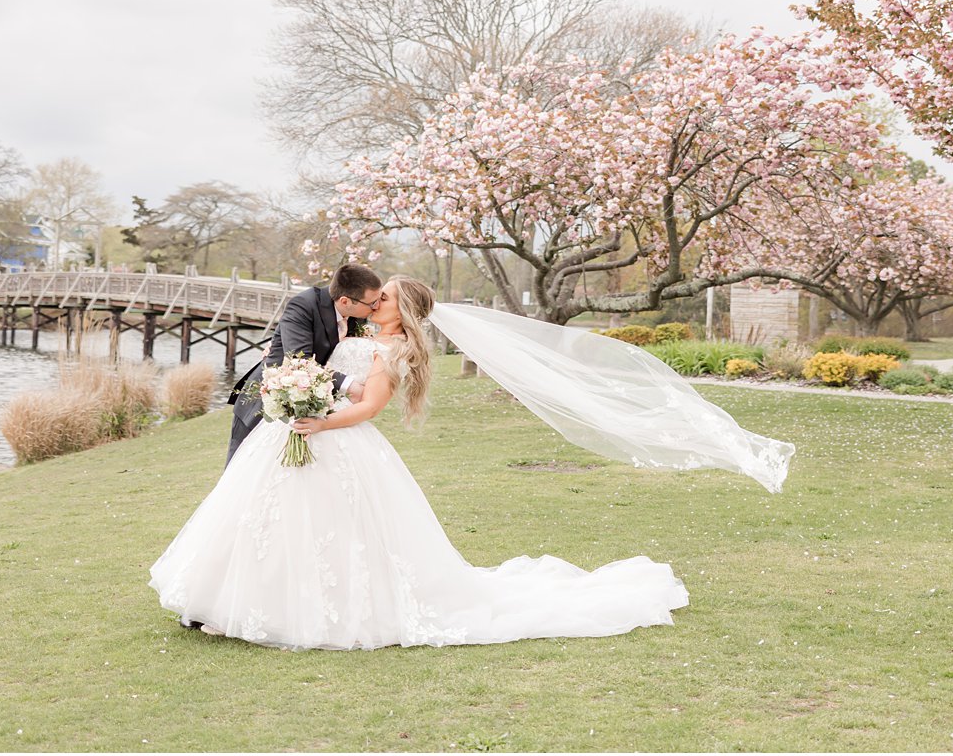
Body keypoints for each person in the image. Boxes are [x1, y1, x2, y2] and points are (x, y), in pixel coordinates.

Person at [151, 275, 694, 650]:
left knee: (332, 533)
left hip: (334, 439)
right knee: (263, 519)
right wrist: (303, 401)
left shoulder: (393, 351)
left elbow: (368, 409)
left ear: (397, 308)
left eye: (381, 297)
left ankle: (308, 610)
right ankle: (228, 605)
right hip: (299, 434)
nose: (372, 300)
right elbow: (310, 360)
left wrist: (318, 421)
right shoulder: (357, 333)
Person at [225, 262, 383, 465]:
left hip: (315, 405)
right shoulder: (304, 305)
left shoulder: (356, 313)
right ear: (345, 301)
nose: (376, 307)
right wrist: (349, 385)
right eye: (372, 303)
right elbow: (300, 361)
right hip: (268, 400)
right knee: (243, 471)